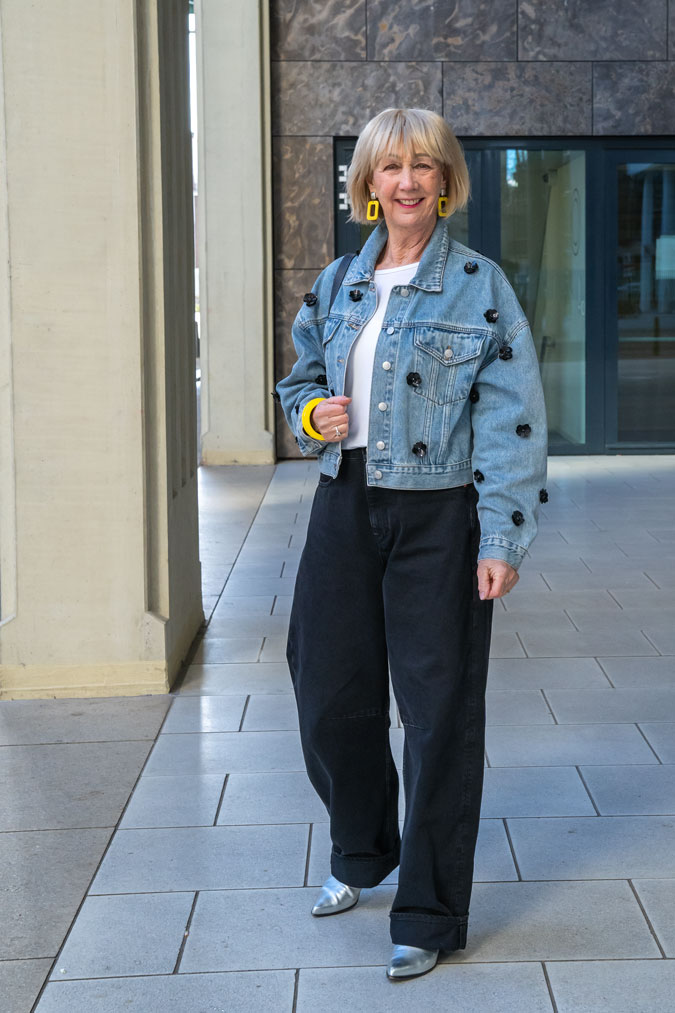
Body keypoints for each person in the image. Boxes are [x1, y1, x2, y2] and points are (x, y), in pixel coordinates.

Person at [275, 107, 548, 982]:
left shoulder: (479, 285)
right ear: (366, 183)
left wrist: (502, 531)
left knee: (437, 715)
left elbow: (511, 419)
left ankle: (426, 910)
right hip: (343, 505)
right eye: (390, 166)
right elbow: (301, 380)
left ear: (445, 181)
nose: (406, 181)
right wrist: (313, 415)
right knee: (326, 692)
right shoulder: (338, 282)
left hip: (439, 516)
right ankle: (361, 852)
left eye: (423, 165)